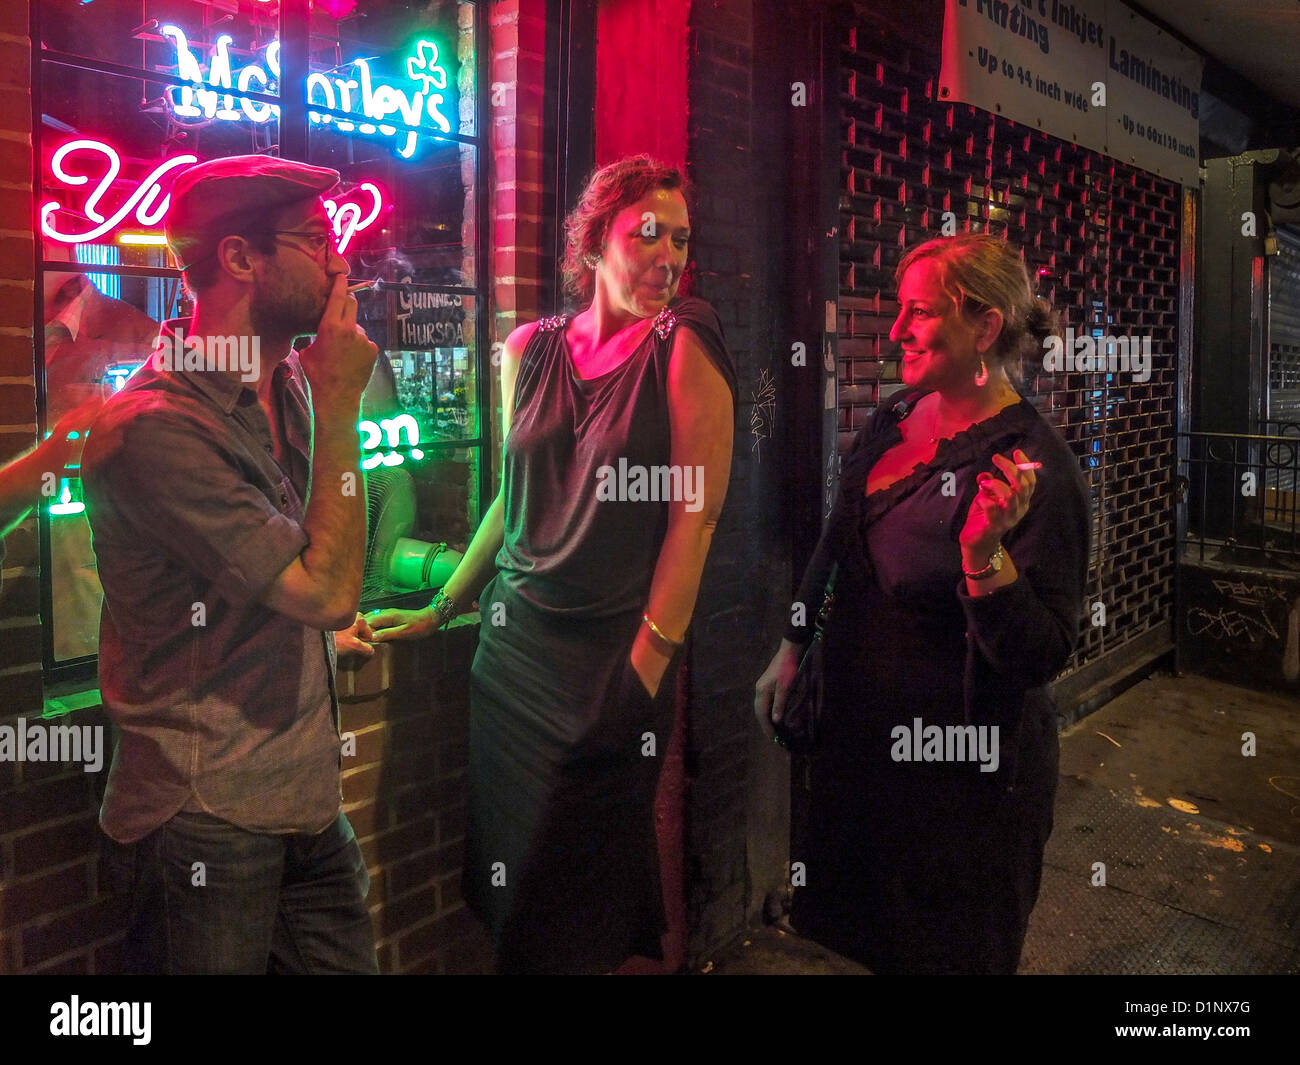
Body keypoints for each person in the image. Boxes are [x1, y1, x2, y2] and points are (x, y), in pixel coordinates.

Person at [370, 155, 737, 973]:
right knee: (514, 904)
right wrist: (446, 605)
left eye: (680, 239)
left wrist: (645, 665)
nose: (669, 257)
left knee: (572, 899)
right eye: (649, 233)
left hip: (607, 664)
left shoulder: (683, 342)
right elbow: (513, 495)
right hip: (512, 659)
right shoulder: (528, 347)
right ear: (594, 237)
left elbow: (697, 515)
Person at [755, 233, 1090, 975]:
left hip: (960, 793)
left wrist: (983, 558)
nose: (898, 329)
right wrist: (791, 647)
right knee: (860, 944)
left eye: (918, 312)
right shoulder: (898, 416)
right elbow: (836, 540)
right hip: (863, 763)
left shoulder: (1036, 469)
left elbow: (1042, 650)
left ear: (984, 327)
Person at [80, 155, 380, 974]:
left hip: (305, 800)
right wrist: (343, 406)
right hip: (205, 820)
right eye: (316, 239)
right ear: (241, 258)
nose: (339, 260)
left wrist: (315, 634)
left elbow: (288, 575)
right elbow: (324, 586)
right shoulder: (156, 428)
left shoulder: (280, 388)